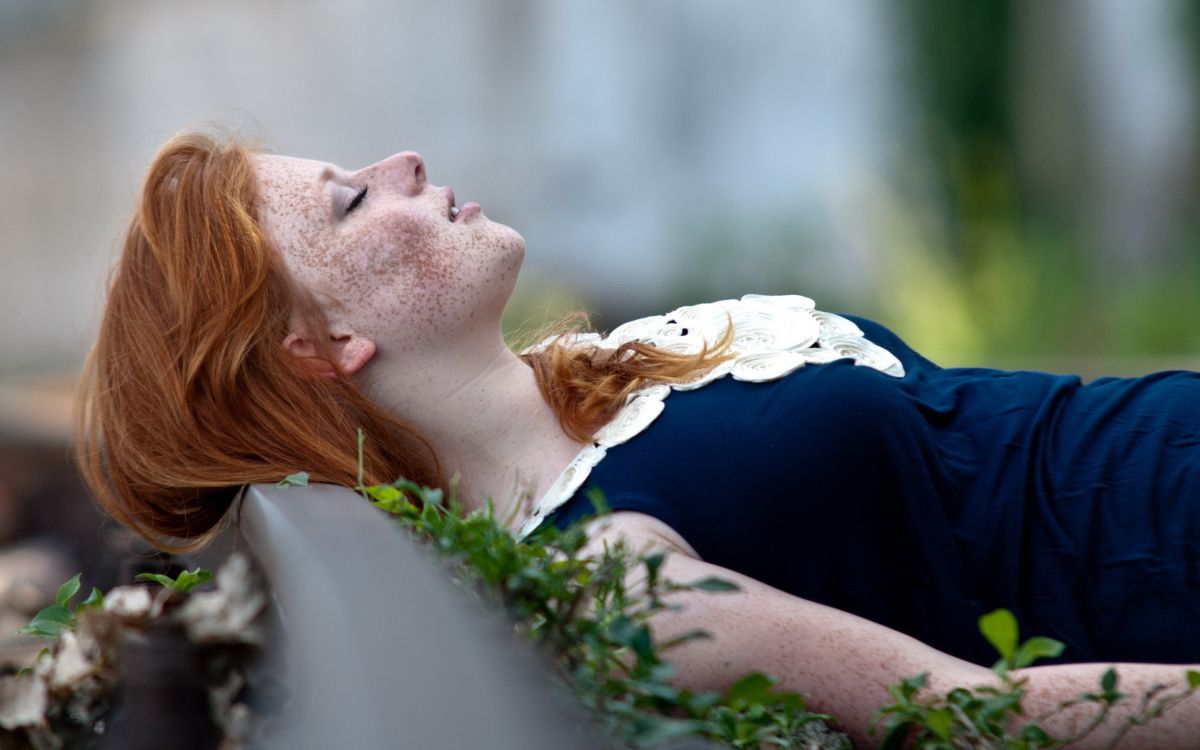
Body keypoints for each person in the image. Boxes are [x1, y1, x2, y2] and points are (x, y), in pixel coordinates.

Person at [78, 129, 1200, 748]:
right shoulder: (611, 572)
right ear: (323, 347)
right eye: (352, 204)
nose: (404, 164)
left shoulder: (602, 380)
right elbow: (975, 720)